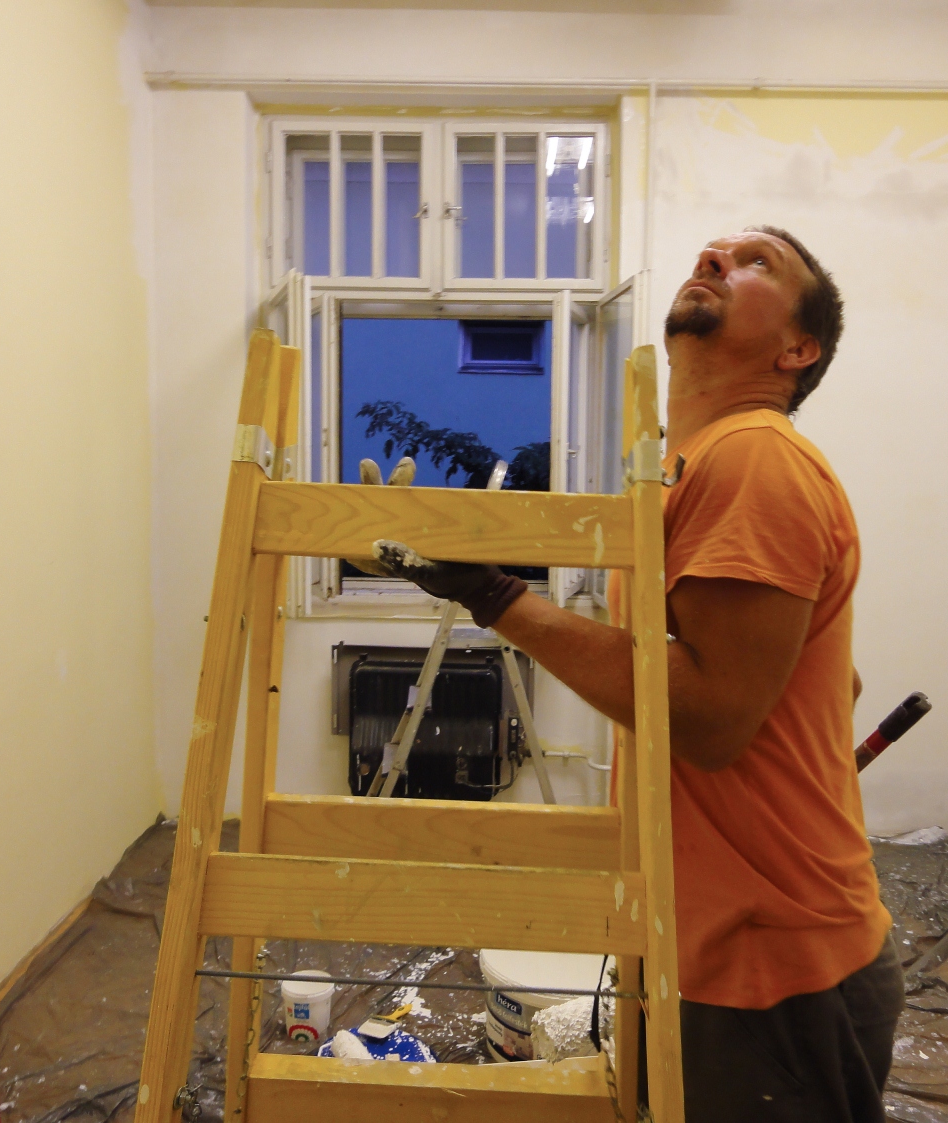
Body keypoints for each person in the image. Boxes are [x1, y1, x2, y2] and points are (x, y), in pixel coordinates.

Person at [375, 227, 903, 1123]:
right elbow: (832, 686)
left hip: (771, 963)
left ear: (797, 349)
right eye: (712, 251)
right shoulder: (681, 469)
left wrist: (495, 595)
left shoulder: (753, 456)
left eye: (756, 263)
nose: (714, 260)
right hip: (716, 942)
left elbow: (707, 717)